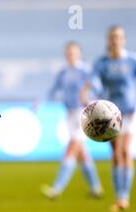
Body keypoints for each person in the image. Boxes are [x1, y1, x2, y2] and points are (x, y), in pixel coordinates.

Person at [81, 26, 136, 212]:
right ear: (108, 40)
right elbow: (92, 81)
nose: (115, 40)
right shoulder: (102, 63)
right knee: (116, 153)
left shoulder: (131, 60)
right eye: (113, 37)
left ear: (123, 39)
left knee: (125, 151)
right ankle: (119, 194)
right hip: (108, 115)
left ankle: (123, 196)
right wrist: (86, 93)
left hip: (129, 112)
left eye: (119, 37)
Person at [40, 42, 103, 200]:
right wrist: (40, 102)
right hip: (70, 114)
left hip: (84, 114)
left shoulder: (85, 70)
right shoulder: (63, 72)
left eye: (73, 52)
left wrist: (91, 100)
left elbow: (97, 88)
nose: (70, 54)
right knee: (82, 153)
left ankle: (57, 188)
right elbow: (54, 89)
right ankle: (96, 188)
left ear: (79, 53)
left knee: (72, 148)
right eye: (68, 52)